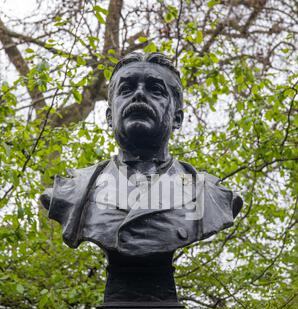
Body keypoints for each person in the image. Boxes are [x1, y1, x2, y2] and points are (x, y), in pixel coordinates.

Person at [40, 52, 243, 258]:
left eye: (155, 90)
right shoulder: (74, 191)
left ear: (177, 118)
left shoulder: (209, 195)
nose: (138, 95)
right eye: (126, 89)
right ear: (110, 117)